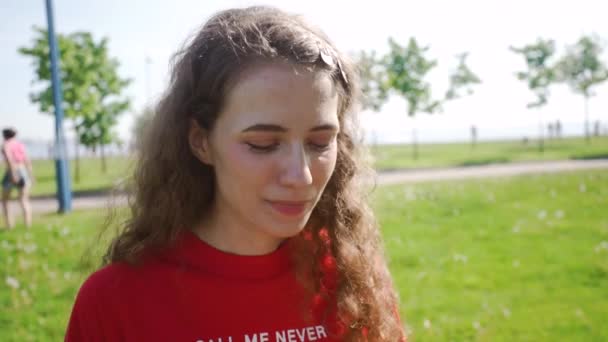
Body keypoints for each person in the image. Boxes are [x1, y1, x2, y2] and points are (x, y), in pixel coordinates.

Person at [66, 6, 406, 341]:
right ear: (201, 142)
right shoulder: (117, 301)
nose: (301, 176)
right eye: (262, 144)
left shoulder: (352, 280)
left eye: (320, 142)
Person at [2, 128, 33, 229]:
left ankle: (9, 225)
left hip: (11, 172)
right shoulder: (20, 145)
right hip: (23, 170)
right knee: (24, 199)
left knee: (5, 200)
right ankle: (27, 224)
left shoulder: (5, 145)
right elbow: (27, 160)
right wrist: (31, 175)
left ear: (4, 135)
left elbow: (9, 160)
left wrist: (13, 174)